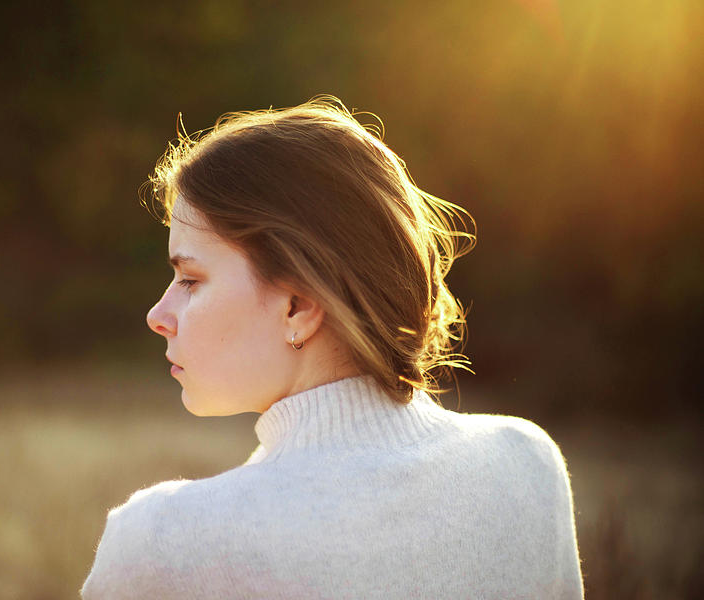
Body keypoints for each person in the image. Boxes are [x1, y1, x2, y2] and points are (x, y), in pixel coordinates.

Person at [81, 97, 583, 599]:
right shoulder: (526, 466)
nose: (158, 316)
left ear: (298, 305)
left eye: (190, 279)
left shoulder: (162, 547)